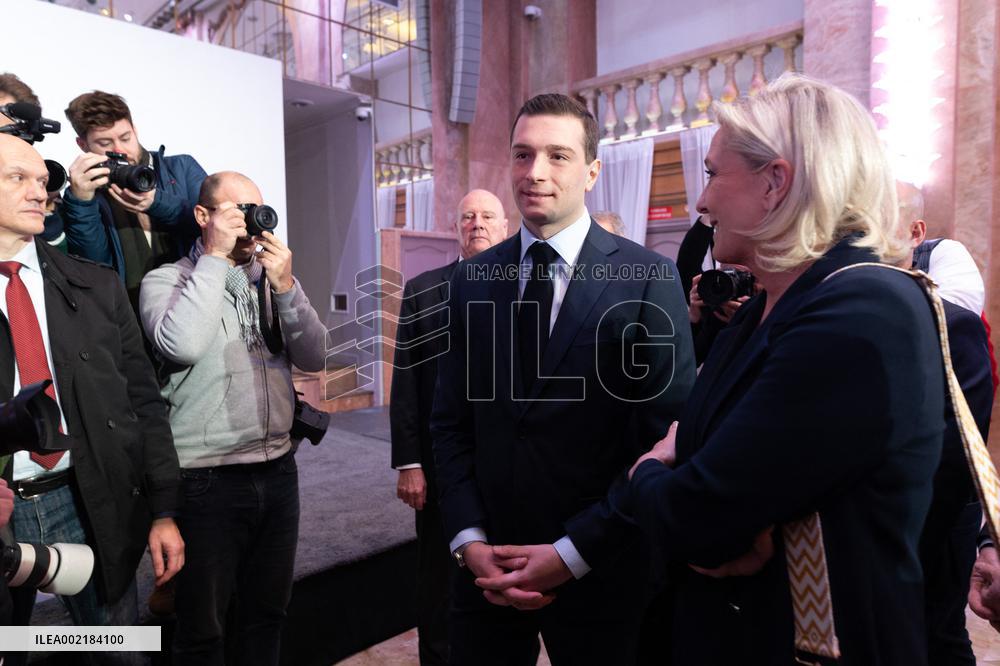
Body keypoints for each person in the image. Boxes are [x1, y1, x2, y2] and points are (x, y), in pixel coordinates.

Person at [621, 74, 947, 665]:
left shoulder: (863, 310)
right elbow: (706, 487)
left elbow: (695, 515)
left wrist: (647, 470)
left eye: (715, 174)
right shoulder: (760, 308)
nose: (702, 201)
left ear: (775, 182)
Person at [431, 93, 695, 665]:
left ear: (592, 171)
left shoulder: (647, 278)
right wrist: (467, 538)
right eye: (523, 156)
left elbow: (662, 438)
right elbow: (451, 421)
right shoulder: (474, 278)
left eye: (558, 156)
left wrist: (574, 551)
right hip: (487, 568)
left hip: (602, 567)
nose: (536, 173)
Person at [0, 133, 183, 666]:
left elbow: (145, 404)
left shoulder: (97, 287)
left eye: (43, 181)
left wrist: (164, 510)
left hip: (88, 498)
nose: (40, 192)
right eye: (18, 178)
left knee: (117, 650)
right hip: (5, 505)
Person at [139, 171, 327, 665]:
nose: (251, 223)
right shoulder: (167, 281)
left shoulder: (271, 281)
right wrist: (217, 259)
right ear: (204, 217)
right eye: (237, 211)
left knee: (268, 615)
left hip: (278, 472)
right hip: (206, 481)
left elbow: (315, 355)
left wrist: (286, 286)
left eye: (257, 210)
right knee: (202, 629)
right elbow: (182, 345)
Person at [391, 188, 509, 665]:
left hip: (507, 466)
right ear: (456, 228)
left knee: (500, 577)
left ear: (505, 228)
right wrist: (409, 462)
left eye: (487, 216)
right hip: (440, 467)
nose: (477, 223)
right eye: (467, 217)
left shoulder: (530, 286)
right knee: (438, 582)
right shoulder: (422, 290)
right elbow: (406, 380)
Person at [896, 182, 993, 665]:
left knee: (940, 634)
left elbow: (964, 450)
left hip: (938, 513)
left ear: (915, 232)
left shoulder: (945, 267)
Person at [61, 91, 206, 314]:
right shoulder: (87, 196)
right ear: (83, 145)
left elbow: (214, 229)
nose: (119, 149)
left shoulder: (182, 168)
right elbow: (93, 266)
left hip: (195, 307)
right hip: (127, 321)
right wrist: (81, 202)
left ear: (135, 130)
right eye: (105, 142)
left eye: (125, 138)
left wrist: (156, 202)